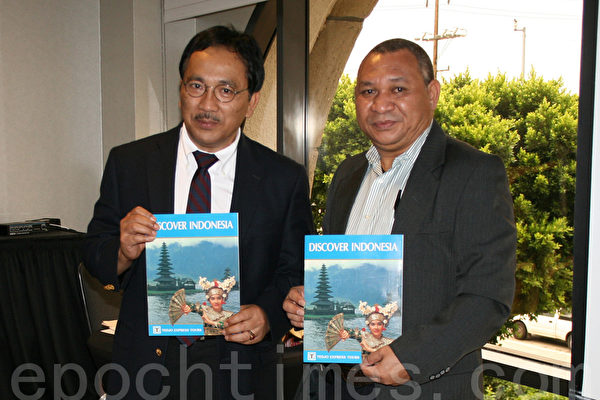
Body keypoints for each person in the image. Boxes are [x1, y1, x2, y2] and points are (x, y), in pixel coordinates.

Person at [85, 25, 313, 399]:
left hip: (238, 369)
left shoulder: (282, 178)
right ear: (181, 90)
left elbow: (295, 269)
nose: (207, 104)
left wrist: (266, 313)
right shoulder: (131, 163)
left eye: (226, 90)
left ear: (251, 101)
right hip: (145, 365)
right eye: (196, 86)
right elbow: (95, 254)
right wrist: (122, 250)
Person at [284, 38, 516, 399]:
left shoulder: (473, 173)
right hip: (332, 385)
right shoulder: (347, 175)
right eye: (368, 91)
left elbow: (488, 296)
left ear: (432, 93)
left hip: (423, 387)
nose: (380, 104)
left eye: (398, 89)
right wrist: (309, 302)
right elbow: (341, 277)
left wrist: (412, 357)